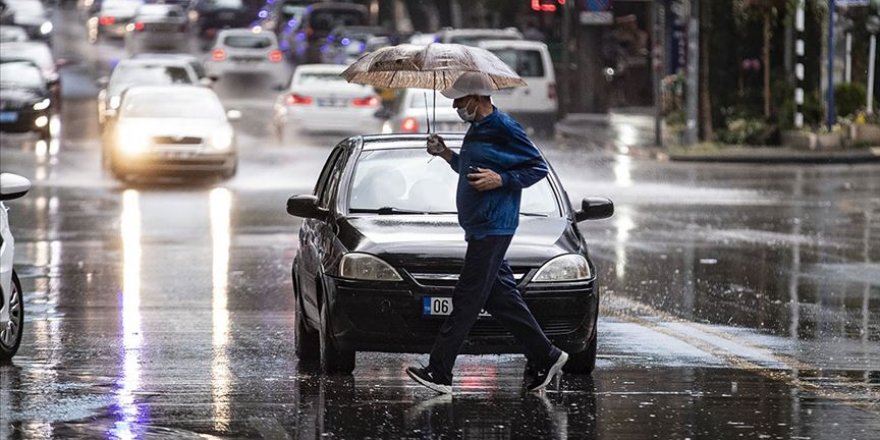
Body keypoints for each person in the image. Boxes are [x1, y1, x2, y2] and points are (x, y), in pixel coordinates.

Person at [406, 72, 568, 395]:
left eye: (459, 100)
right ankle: (547, 356)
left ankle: (440, 370)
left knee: (466, 298)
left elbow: (537, 167)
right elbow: (470, 168)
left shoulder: (503, 127)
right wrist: (446, 154)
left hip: (495, 226)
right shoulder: (477, 129)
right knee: (501, 298)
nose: (455, 107)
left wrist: (502, 180)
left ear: (478, 98)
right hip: (480, 226)